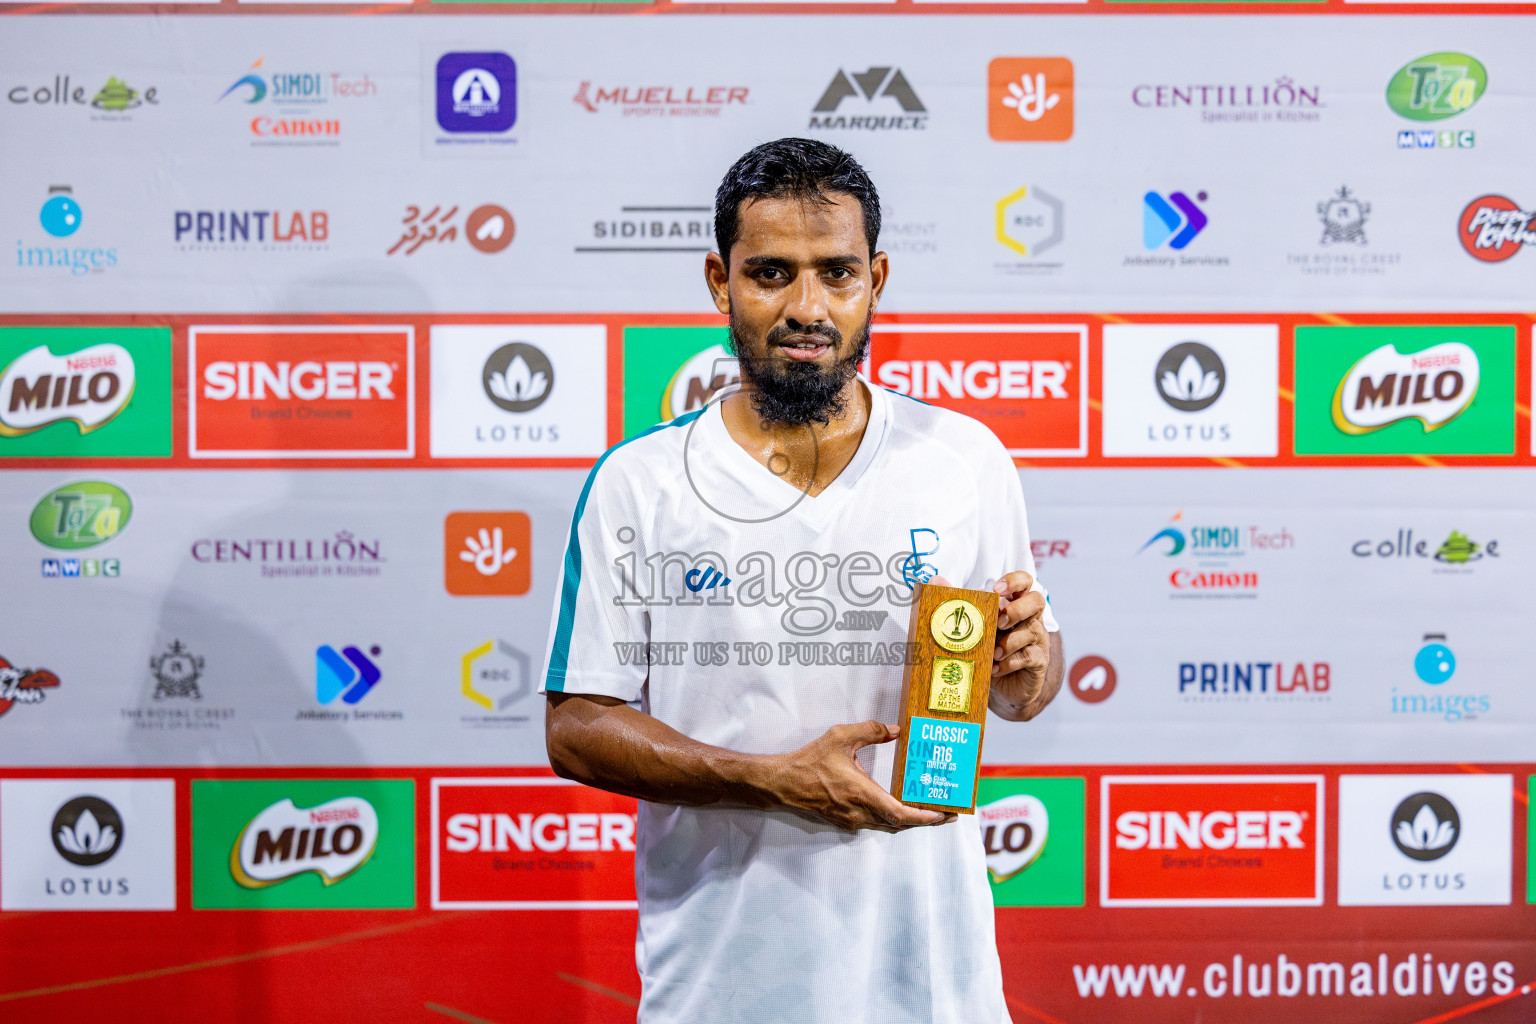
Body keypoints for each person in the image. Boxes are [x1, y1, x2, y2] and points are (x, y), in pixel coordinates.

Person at [542, 137, 1063, 1023]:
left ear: (878, 280)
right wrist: (765, 778)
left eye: (838, 273)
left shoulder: (965, 459)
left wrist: (1025, 666)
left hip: (937, 984)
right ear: (720, 281)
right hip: (723, 986)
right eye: (772, 273)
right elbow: (577, 727)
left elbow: (1023, 689)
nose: (807, 307)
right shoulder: (641, 483)